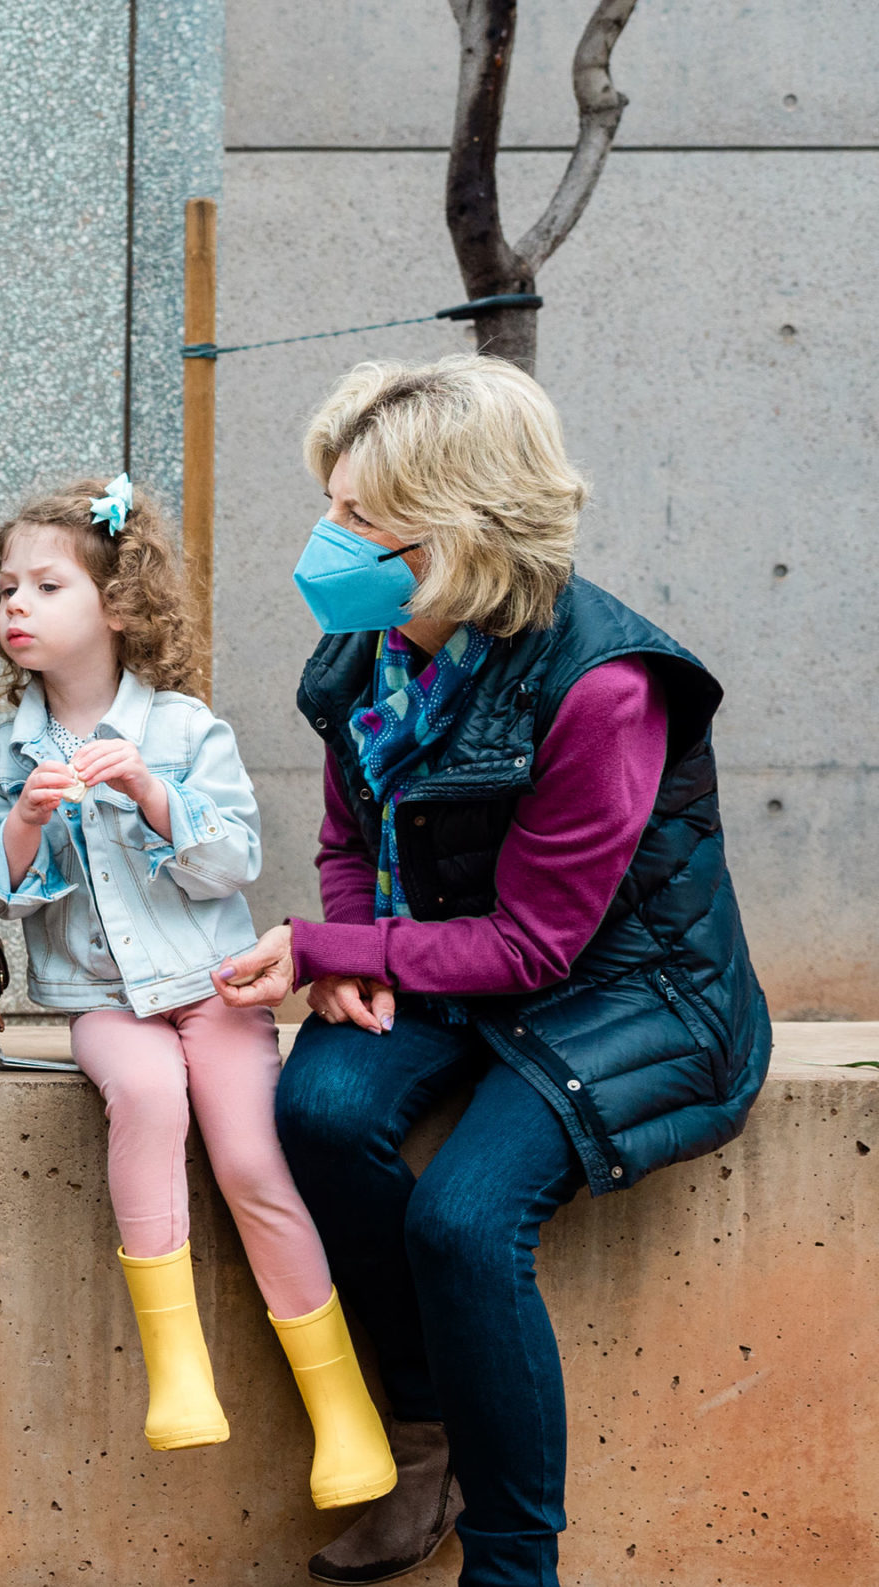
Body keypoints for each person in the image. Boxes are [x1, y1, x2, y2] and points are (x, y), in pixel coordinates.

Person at [216, 356, 772, 1587]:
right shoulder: (370, 642)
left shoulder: (605, 688)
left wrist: (326, 949)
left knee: (465, 1223)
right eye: (332, 500)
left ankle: (513, 1563)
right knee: (313, 1109)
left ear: (461, 528)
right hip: (444, 957)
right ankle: (424, 1451)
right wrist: (354, 950)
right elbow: (348, 831)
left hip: (626, 992)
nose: (328, 535)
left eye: (361, 516)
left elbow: (538, 945)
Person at [0, 474, 394, 1508]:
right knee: (147, 1097)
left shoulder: (187, 728)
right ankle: (179, 1368)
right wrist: (24, 819)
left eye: (46, 585)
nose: (15, 604)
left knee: (250, 1158)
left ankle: (342, 1416)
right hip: (105, 1002)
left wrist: (154, 794)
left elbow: (232, 863)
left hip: (217, 987)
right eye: (6, 585)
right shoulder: (4, 749)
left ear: (114, 604)